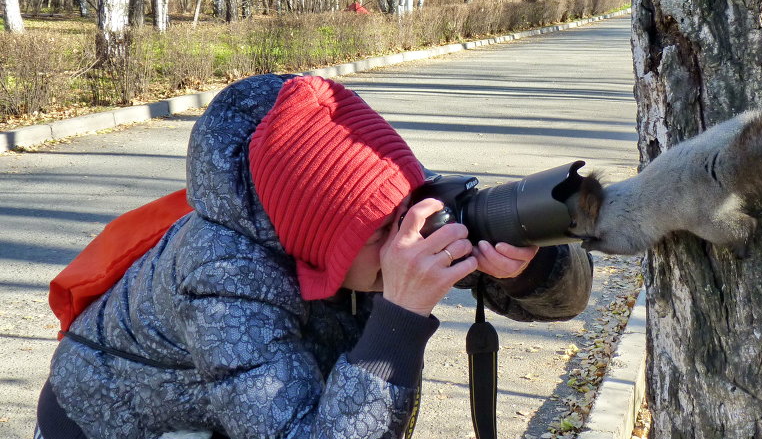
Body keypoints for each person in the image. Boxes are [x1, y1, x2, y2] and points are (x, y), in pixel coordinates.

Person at [35, 74, 593, 439]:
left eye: (408, 213)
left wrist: (526, 271)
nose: (405, 241)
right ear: (317, 244)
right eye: (377, 235)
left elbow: (569, 301)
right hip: (104, 423)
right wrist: (398, 318)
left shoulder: (381, 195)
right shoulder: (223, 277)